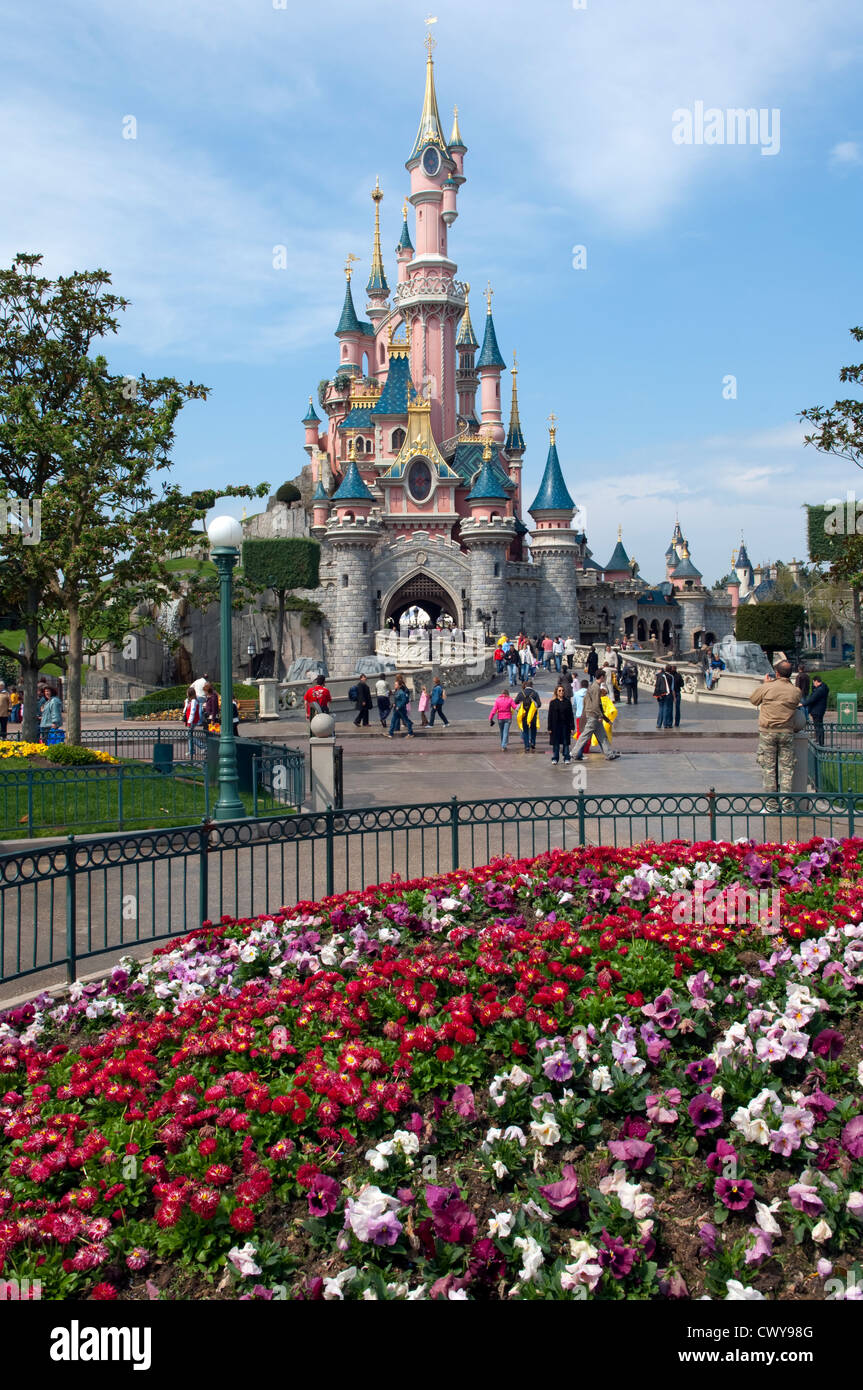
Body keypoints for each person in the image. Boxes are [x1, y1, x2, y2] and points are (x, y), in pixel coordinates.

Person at [748, 660, 802, 808]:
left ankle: (771, 805)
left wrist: (766, 684)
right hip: (786, 732)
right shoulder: (795, 691)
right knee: (787, 769)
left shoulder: (767, 687)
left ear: (776, 673)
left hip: (768, 732)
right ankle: (786, 805)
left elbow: (753, 700)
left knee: (769, 769)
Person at [572, 679, 620, 761]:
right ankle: (574, 753)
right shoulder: (594, 690)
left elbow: (597, 708)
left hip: (588, 717)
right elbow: (596, 708)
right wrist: (601, 717)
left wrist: (606, 720)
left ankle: (609, 754)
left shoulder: (591, 692)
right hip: (593, 717)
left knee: (601, 736)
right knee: (585, 736)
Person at [547, 683, 575, 764]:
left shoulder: (567, 702)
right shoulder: (553, 702)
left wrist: (572, 727)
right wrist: (549, 728)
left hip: (565, 725)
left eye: (562, 690)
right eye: (559, 691)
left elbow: (571, 715)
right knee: (556, 743)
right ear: (556, 692)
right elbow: (550, 716)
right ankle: (555, 758)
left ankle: (566, 758)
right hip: (555, 726)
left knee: (566, 742)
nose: (561, 692)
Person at [515, 678, 541, 753]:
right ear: (532, 686)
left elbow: (515, 701)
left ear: (526, 685)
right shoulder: (535, 693)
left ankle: (526, 746)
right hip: (533, 715)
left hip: (524, 715)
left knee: (525, 730)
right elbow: (539, 704)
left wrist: (521, 702)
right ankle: (533, 742)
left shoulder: (521, 693)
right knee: (533, 729)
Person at [801, 675, 828, 746]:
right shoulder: (823, 687)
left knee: (818, 726)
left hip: (817, 710)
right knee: (818, 726)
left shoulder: (819, 690)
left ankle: (820, 742)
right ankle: (819, 740)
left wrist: (802, 704)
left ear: (816, 681)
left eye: (813, 683)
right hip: (820, 709)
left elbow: (812, 699)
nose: (813, 684)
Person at [182, 685, 203, 759]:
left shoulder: (194, 701)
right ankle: (191, 751)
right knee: (189, 735)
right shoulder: (190, 701)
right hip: (190, 720)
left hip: (192, 721)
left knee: (190, 736)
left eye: (187, 693)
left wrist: (189, 722)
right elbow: (186, 710)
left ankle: (202, 746)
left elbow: (192, 712)